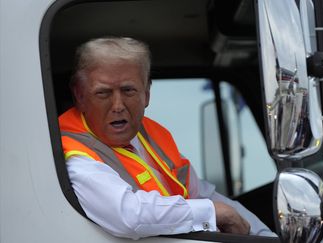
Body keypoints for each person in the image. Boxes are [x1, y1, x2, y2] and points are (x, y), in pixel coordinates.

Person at [58, 37, 275, 240]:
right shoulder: (73, 151)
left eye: (128, 90)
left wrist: (265, 237)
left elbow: (202, 194)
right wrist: (212, 213)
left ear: (147, 94)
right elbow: (129, 216)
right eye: (103, 93)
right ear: (80, 95)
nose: (118, 106)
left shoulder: (151, 136)